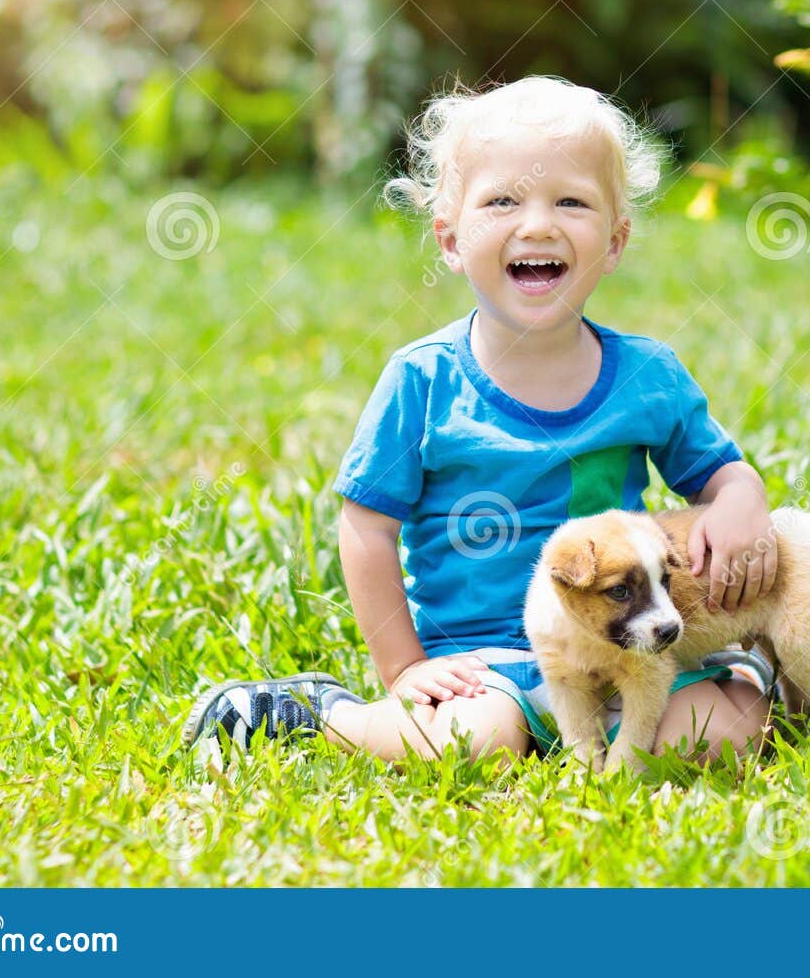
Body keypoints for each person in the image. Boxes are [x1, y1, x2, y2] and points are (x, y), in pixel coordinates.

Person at [182, 76, 778, 765]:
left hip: (622, 649)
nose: (538, 224)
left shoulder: (647, 375)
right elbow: (367, 527)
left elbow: (720, 475)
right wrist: (404, 668)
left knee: (723, 735)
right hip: (483, 662)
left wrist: (742, 498)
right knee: (479, 740)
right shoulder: (421, 381)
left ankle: (645, 717)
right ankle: (325, 713)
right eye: (502, 200)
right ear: (451, 240)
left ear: (614, 241)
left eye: (571, 202)